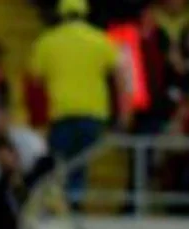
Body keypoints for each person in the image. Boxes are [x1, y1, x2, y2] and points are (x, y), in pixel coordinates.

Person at [27, 0, 128, 206]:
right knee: (79, 165)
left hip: (60, 112)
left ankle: (60, 204)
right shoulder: (100, 39)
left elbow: (34, 81)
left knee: (58, 164)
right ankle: (75, 204)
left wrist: (36, 119)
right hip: (93, 114)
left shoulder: (47, 41)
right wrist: (124, 113)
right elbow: (120, 76)